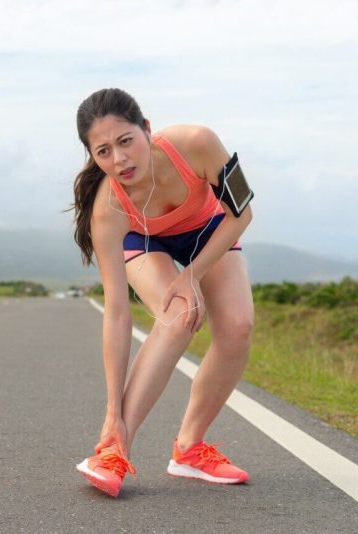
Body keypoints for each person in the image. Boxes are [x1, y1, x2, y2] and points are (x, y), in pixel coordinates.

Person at [69, 88, 254, 498]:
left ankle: (189, 448)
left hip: (210, 232)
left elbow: (243, 212)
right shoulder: (108, 209)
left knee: (238, 327)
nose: (119, 160)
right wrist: (111, 411)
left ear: (147, 129)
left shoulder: (197, 143)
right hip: (145, 240)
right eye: (103, 152)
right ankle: (113, 449)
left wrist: (192, 274)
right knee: (177, 317)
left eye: (125, 141)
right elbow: (116, 313)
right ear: (92, 157)